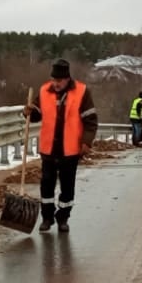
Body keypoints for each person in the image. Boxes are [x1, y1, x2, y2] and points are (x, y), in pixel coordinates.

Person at [22, 59, 98, 233]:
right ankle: (47, 218)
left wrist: (86, 142)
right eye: (53, 79)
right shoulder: (43, 91)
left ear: (67, 78)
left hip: (70, 149)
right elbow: (34, 115)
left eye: (59, 80)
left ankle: (63, 218)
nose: (55, 83)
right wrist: (27, 112)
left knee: (67, 186)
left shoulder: (82, 92)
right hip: (49, 147)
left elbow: (90, 120)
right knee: (46, 185)